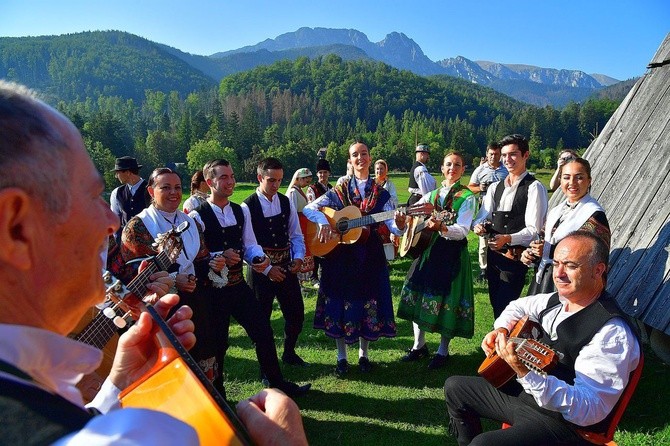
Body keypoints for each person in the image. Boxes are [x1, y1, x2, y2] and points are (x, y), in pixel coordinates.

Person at [0, 79, 308, 446]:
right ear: (17, 228)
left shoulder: (25, 380)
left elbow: (71, 423)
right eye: (91, 194)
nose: (110, 220)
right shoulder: (140, 438)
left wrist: (116, 384)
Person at [444, 231, 640, 446]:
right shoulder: (557, 299)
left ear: (598, 270)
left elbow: (589, 410)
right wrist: (501, 329)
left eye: (571, 266)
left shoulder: (611, 333)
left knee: (485, 444)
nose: (559, 274)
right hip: (531, 398)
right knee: (455, 388)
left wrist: (525, 373)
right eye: (556, 264)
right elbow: (517, 306)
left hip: (565, 424)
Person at [189, 159, 311, 398]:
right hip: (213, 290)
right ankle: (219, 393)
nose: (231, 181)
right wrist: (218, 256)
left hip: (238, 286)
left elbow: (250, 245)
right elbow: (193, 255)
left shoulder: (239, 210)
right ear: (210, 182)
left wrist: (258, 260)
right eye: (224, 177)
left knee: (263, 330)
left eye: (232, 176)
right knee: (219, 343)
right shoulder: (197, 215)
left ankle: (276, 382)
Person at [116, 167, 228, 390]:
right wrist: (174, 279)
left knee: (205, 348)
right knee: (175, 360)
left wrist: (214, 264)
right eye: (165, 187)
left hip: (196, 301)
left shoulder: (191, 222)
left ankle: (213, 401)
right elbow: (133, 274)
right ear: (151, 190)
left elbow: (200, 258)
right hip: (160, 310)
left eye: (177, 187)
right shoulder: (137, 226)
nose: (173, 193)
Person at [303, 141, 406, 375]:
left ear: (370, 159)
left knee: (367, 301)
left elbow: (393, 226)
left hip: (369, 256)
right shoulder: (339, 191)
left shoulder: (382, 193)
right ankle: (341, 357)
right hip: (339, 257)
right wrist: (324, 224)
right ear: (349, 161)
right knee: (339, 302)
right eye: (355, 155)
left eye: (364, 154)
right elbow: (310, 209)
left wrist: (399, 224)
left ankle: (363, 355)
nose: (360, 158)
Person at [397, 152, 476, 369]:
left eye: (457, 165)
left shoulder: (467, 197)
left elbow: (462, 230)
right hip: (428, 251)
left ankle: (443, 350)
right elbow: (412, 214)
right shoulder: (431, 195)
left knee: (446, 301)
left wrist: (443, 227)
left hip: (451, 253)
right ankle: (418, 346)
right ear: (442, 168)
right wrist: (404, 220)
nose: (452, 168)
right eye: (448, 164)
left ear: (463, 169)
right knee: (417, 292)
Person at [242, 157, 309, 367]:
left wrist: (298, 257)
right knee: (261, 321)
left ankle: (289, 352)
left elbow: (296, 235)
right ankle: (266, 366)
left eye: (279, 180)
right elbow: (247, 244)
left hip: (286, 266)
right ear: (260, 177)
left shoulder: (285, 201)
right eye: (271, 180)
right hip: (261, 271)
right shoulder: (247, 206)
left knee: (296, 314)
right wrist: (268, 268)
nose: (276, 185)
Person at [473, 134, 548, 318]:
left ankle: (502, 345)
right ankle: (500, 344)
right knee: (495, 305)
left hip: (515, 258)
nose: (507, 159)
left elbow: (533, 230)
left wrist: (508, 238)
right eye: (504, 155)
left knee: (504, 307)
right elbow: (481, 217)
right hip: (493, 256)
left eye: (513, 154)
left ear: (526, 155)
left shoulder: (534, 187)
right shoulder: (495, 188)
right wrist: (478, 226)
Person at [522, 158, 610, 294]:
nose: (572, 183)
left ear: (589, 180)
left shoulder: (594, 215)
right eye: (566, 177)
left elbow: (592, 256)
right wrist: (531, 253)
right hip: (544, 279)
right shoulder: (557, 211)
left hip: (572, 285)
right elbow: (543, 239)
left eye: (579, 177)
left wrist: (547, 250)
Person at [468, 142, 508, 281]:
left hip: (502, 208)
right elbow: (470, 187)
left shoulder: (506, 170)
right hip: (484, 207)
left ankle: (501, 266)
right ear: (487, 154)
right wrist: (480, 188)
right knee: (483, 240)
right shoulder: (480, 170)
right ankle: (483, 269)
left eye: (496, 154)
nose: (493, 157)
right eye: (491, 154)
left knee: (501, 236)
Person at [109, 156, 151, 243]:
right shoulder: (116, 193)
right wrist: (120, 244)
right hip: (126, 246)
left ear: (128, 172)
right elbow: (115, 222)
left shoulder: (151, 190)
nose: (116, 176)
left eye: (118, 173)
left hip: (150, 243)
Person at [306, 158, 333, 287]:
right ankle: (314, 276)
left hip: (331, 221)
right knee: (317, 250)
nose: (323, 175)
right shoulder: (313, 189)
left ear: (329, 173)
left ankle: (326, 274)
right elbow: (311, 206)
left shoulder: (332, 189)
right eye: (320, 172)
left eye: (325, 172)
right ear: (317, 174)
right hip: (316, 222)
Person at [287, 167, 316, 286]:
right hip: (298, 224)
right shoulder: (293, 192)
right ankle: (297, 282)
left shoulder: (299, 190)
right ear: (299, 179)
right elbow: (292, 211)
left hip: (304, 224)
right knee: (298, 250)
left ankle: (301, 282)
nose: (307, 183)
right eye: (305, 180)